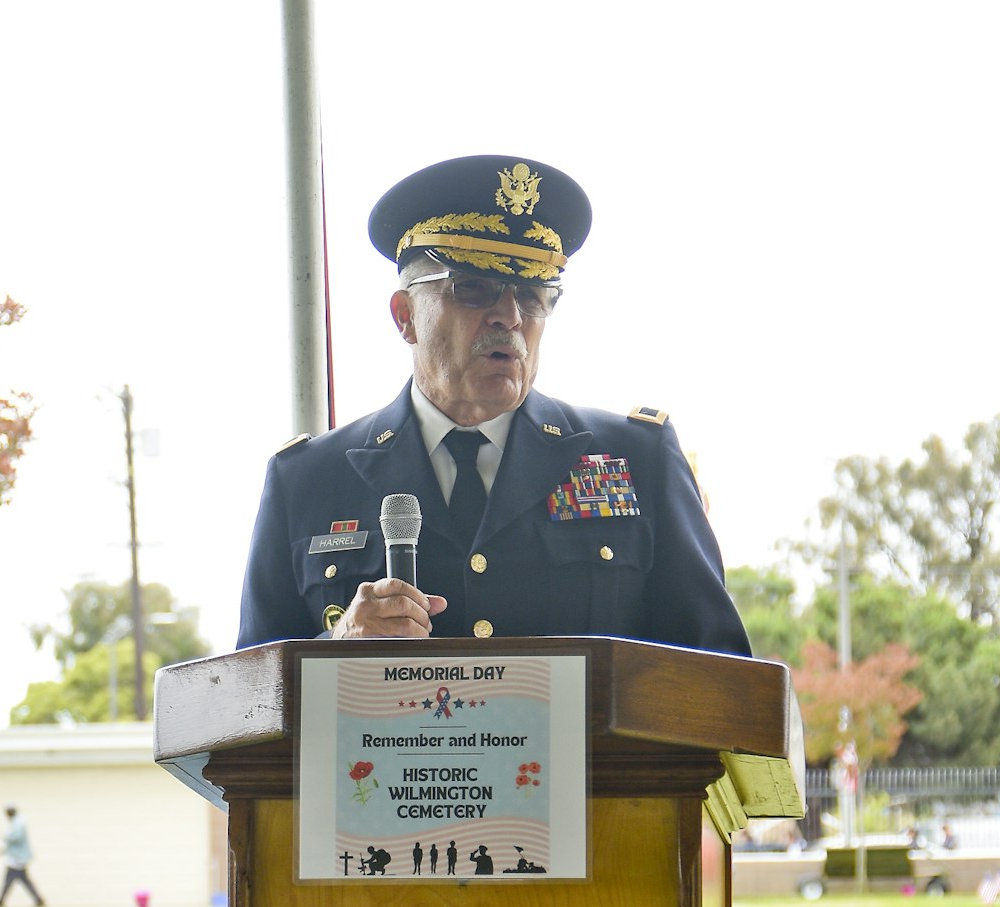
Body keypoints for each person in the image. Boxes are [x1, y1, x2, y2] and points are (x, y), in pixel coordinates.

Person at [237, 154, 749, 654]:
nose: (508, 315)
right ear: (404, 316)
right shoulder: (305, 480)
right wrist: (337, 646)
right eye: (474, 289)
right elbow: (247, 706)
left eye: (533, 294)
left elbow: (720, 677)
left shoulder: (639, 458)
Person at [0, 804, 45, 907]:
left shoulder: (18, 823)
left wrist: (5, 837)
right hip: (16, 857)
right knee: (21, 879)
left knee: (10, 879)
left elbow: (17, 838)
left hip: (18, 857)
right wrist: (4, 849)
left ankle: (0, 902)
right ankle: (38, 900)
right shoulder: (15, 822)